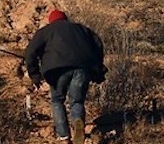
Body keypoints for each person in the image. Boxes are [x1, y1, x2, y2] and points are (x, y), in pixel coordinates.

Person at [24, 9, 106, 144]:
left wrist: (35, 75)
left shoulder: (46, 31)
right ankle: (78, 125)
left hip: (56, 70)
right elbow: (98, 44)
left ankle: (64, 138)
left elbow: (30, 52)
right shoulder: (82, 29)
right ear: (65, 19)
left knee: (57, 101)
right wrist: (98, 69)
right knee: (77, 101)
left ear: (51, 21)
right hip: (82, 68)